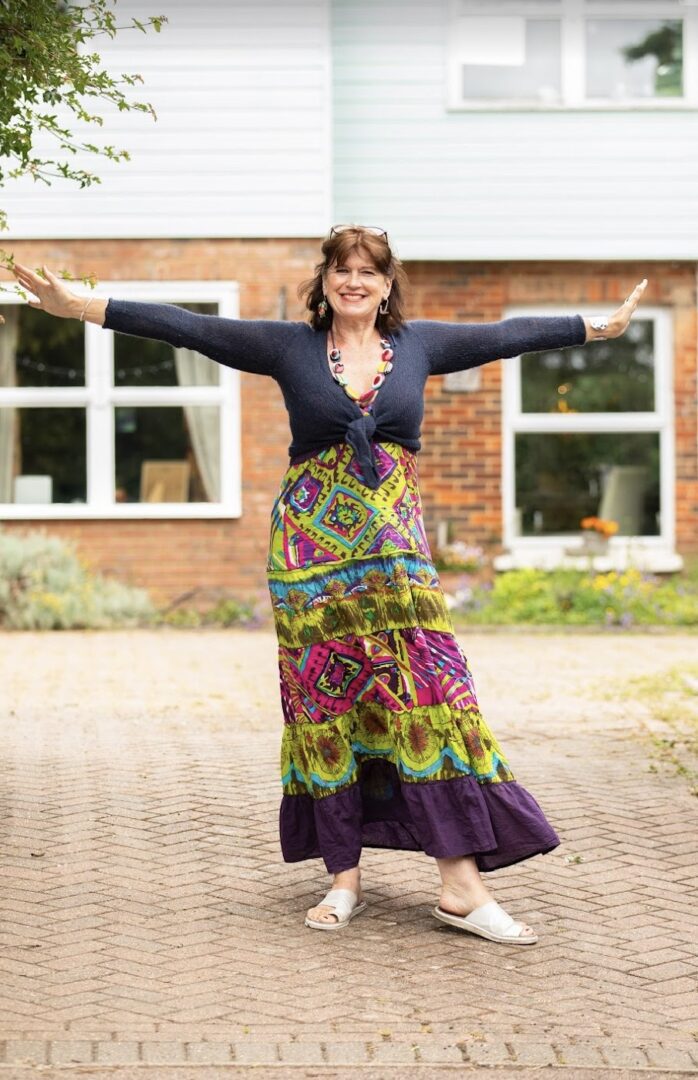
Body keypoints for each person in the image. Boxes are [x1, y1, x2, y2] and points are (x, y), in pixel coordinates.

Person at [10, 230, 647, 944]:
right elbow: (189, 327)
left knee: (428, 700)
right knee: (328, 705)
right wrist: (80, 305)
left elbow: (506, 334)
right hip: (310, 561)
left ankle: (461, 887)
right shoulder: (290, 348)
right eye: (342, 270)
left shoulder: (423, 346)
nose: (353, 281)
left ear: (386, 283)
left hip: (396, 563)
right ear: (327, 279)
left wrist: (597, 326)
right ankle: (343, 878)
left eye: (367, 271)